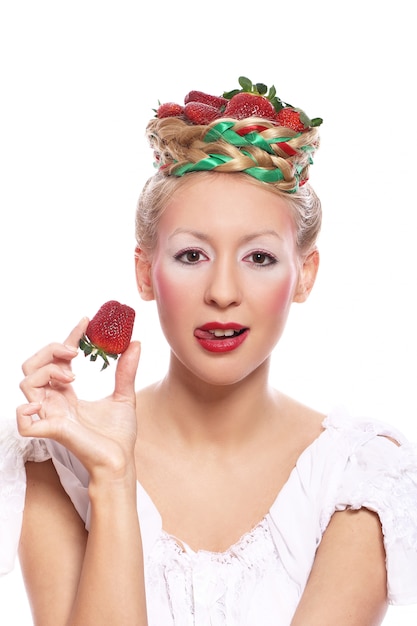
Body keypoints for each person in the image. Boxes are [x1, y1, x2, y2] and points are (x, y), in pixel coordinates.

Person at [1, 76, 417, 626]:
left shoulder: (361, 474)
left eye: (260, 258)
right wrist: (113, 476)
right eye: (192, 255)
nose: (223, 291)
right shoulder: (59, 460)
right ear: (145, 272)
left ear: (305, 275)